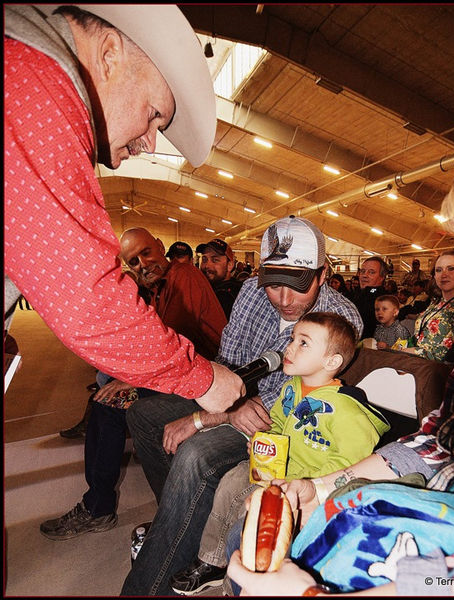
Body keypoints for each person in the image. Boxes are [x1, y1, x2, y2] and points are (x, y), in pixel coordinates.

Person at [227, 133, 454, 596]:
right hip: (440, 505)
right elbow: (432, 441)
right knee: (256, 532)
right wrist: (322, 484)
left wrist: (313, 595)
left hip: (453, 556)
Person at [4, 4, 243, 413]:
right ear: (110, 54)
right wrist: (199, 377)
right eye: (154, 115)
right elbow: (86, 300)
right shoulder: (38, 85)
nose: (150, 144)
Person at [120, 215, 363, 595]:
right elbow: (229, 359)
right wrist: (221, 406)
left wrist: (201, 420)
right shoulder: (251, 291)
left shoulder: (341, 321)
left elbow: (286, 401)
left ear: (323, 274)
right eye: (273, 285)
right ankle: (181, 522)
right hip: (235, 400)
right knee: (143, 416)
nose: (284, 300)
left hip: (275, 423)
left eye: (297, 286)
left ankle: (151, 579)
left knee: (196, 455)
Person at [170, 312, 389, 595]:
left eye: (303, 343)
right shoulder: (291, 388)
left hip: (309, 488)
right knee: (230, 481)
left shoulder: (346, 410)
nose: (290, 347)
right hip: (277, 470)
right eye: (292, 338)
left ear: (331, 361)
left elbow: (353, 464)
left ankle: (235, 585)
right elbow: (276, 424)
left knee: (248, 519)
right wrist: (262, 442)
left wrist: (312, 482)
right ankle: (212, 560)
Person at [40, 227, 227, 540]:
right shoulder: (158, 287)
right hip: (182, 376)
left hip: (204, 382)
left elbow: (170, 347)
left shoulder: (185, 277)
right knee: (104, 398)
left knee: (110, 405)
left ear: (160, 246)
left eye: (147, 253)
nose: (143, 264)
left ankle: (98, 507)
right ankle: (97, 504)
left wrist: (130, 379)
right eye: (134, 261)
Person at [403, 251, 454, 362]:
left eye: (451, 269)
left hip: (437, 372)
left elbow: (453, 353)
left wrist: (413, 351)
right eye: (439, 270)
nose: (444, 275)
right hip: (416, 364)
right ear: (434, 276)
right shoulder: (435, 302)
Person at [196, 238, 243, 319]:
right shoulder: (205, 289)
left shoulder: (232, 296)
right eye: (204, 260)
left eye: (215, 260)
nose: (207, 265)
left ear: (229, 265)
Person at [353, 257, 388, 338]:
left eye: (371, 272)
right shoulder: (356, 294)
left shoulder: (384, 301)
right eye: (362, 271)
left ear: (382, 277)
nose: (365, 275)